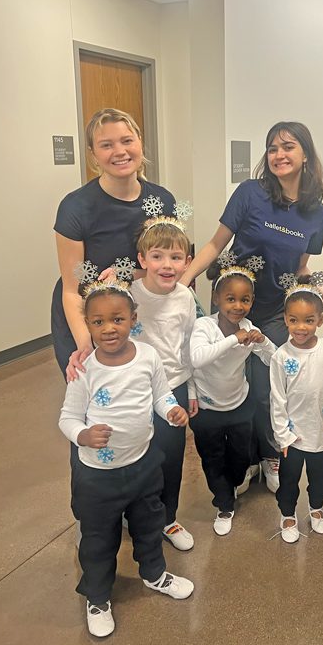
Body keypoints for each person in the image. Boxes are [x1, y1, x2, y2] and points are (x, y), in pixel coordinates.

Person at [180, 122, 323, 494]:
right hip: (233, 305)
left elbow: (300, 266)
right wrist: (183, 280)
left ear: (305, 154)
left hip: (276, 311)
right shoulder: (250, 194)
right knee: (230, 383)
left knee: (266, 388)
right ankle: (244, 460)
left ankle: (271, 455)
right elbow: (216, 244)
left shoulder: (315, 212)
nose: (278, 155)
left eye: (288, 147)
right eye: (272, 148)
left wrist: (320, 294)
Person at [58, 282, 194, 638]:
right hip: (98, 475)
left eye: (117, 319)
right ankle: (98, 596)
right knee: (99, 539)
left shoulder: (148, 356)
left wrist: (172, 411)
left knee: (149, 526)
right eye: (99, 322)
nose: (109, 328)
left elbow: (161, 394)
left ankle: (154, 573)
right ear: (87, 325)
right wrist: (83, 435)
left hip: (143, 465)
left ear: (133, 319)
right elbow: (68, 417)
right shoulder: (84, 368)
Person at [52, 108, 176, 378]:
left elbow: (170, 268)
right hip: (88, 316)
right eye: (106, 145)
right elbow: (72, 290)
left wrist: (133, 273)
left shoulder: (163, 201)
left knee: (145, 395)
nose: (119, 151)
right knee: (97, 400)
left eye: (127, 140)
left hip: (142, 310)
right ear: (93, 154)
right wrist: (86, 343)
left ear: (140, 142)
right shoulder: (75, 207)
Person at [190, 263, 276, 536]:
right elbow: (197, 358)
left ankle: (235, 482)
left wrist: (261, 342)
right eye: (230, 299)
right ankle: (224, 503)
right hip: (207, 409)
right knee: (213, 458)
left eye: (245, 299)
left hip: (240, 405)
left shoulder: (249, 327)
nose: (238, 306)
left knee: (240, 459)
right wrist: (234, 340)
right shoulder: (204, 326)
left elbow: (273, 359)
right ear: (216, 299)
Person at [130, 214, 198, 551]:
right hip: (137, 392)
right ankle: (140, 516)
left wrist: (193, 390)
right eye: (157, 256)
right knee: (139, 455)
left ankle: (168, 518)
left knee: (170, 458)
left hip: (175, 387)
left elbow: (188, 346)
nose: (166, 265)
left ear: (187, 262)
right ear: (143, 260)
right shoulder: (129, 295)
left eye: (175, 257)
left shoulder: (186, 297)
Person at [270, 282, 323, 543]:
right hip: (292, 437)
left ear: (320, 320)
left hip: (321, 431)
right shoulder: (281, 356)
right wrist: (283, 435)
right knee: (289, 479)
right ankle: (287, 514)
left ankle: (317, 508)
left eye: (308, 320)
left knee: (320, 477)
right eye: (293, 320)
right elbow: (277, 398)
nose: (300, 327)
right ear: (285, 319)